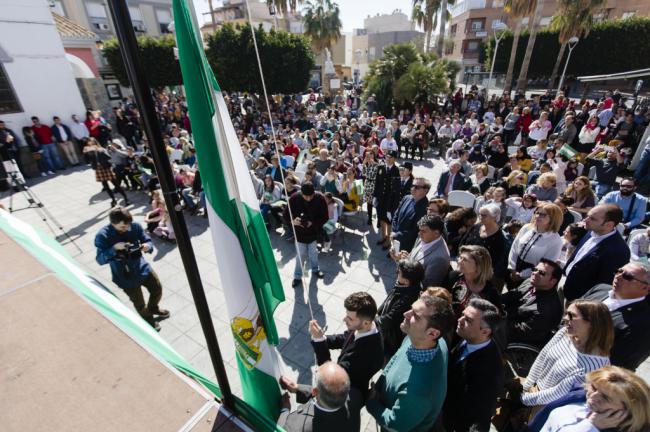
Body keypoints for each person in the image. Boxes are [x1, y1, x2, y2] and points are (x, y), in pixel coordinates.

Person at [366, 295, 454, 432]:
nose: (406, 314)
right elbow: (396, 357)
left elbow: (394, 424)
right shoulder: (417, 338)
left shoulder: (420, 391)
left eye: (416, 316)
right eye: (411, 309)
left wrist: (371, 403)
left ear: (432, 333)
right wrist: (379, 385)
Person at [513, 300, 613, 409]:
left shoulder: (593, 367)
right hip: (531, 392)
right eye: (566, 313)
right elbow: (542, 356)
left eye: (572, 316)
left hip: (545, 406)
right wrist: (526, 385)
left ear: (592, 323)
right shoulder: (565, 333)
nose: (565, 318)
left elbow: (557, 393)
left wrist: (523, 399)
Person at [95, 207, 169, 331]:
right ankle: (148, 320)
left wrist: (147, 246)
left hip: (142, 267)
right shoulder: (103, 236)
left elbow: (147, 240)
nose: (127, 228)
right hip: (124, 276)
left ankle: (153, 308)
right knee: (139, 304)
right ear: (113, 224)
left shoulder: (135, 226)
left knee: (157, 288)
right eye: (123, 227)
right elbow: (100, 259)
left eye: (128, 225)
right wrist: (114, 249)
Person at [443, 299, 504, 432]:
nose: (460, 320)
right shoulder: (468, 336)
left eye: (468, 320)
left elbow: (481, 415)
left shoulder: (488, 370)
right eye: (463, 315)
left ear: (485, 332)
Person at [308, 292, 383, 398]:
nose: (344, 319)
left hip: (347, 393)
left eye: (350, 318)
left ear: (366, 322)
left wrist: (319, 340)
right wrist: (322, 337)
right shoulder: (367, 326)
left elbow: (332, 376)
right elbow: (345, 338)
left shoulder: (363, 355)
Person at [535, 366, 650, 432]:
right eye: (594, 388)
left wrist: (590, 426)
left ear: (629, 409)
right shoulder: (579, 396)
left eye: (605, 397)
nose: (592, 397)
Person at [581, 263, 650, 371]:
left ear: (645, 287)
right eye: (619, 271)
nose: (618, 276)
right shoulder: (600, 289)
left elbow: (620, 364)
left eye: (628, 276)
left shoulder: (643, 324)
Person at [563, 204, 630, 301]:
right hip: (566, 285)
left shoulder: (618, 251)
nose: (585, 220)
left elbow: (604, 285)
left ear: (609, 224)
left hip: (580, 300)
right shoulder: (591, 231)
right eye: (587, 216)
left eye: (592, 219)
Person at [278, 362, 362, 432]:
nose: (315, 370)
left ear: (314, 391)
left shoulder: (295, 426)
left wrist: (285, 409)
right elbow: (331, 391)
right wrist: (297, 388)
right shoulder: (356, 396)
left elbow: (280, 429)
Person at [501, 259, 564, 349]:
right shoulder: (530, 283)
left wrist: (497, 319)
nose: (535, 273)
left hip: (515, 340)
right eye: (535, 269)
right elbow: (510, 295)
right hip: (506, 320)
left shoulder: (547, 310)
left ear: (552, 281)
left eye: (541, 273)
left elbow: (520, 332)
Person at [376, 259, 425, 360]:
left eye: (399, 272)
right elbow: (389, 299)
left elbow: (390, 319)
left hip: (389, 339)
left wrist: (374, 320)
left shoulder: (407, 299)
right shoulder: (404, 286)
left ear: (407, 281)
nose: (397, 273)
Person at [507, 203, 563, 287]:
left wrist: (521, 275)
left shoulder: (556, 240)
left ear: (553, 219)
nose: (538, 216)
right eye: (537, 213)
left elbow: (545, 265)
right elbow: (514, 248)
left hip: (532, 276)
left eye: (543, 215)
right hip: (514, 268)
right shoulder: (526, 227)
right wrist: (512, 268)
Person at [287, 182, 328, 287]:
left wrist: (313, 223)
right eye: (306, 196)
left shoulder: (320, 198)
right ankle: (297, 276)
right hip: (299, 233)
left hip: (313, 232)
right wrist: (292, 221)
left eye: (311, 196)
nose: (309, 198)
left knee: (313, 253)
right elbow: (286, 214)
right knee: (300, 255)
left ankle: (315, 269)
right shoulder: (294, 198)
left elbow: (325, 217)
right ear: (301, 193)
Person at [392, 215, 450, 288]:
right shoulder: (424, 236)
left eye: (423, 231)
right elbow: (413, 259)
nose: (419, 233)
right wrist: (403, 259)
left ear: (436, 233)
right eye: (419, 230)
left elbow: (426, 286)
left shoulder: (440, 259)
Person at [446, 245, 501, 318]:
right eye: (460, 257)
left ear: (478, 266)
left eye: (465, 259)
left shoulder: (490, 293)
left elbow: (493, 320)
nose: (459, 261)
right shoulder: (454, 277)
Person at [83, 138, 129, 207]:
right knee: (106, 186)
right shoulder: (89, 151)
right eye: (89, 142)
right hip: (98, 169)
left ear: (95, 142)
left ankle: (126, 198)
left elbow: (108, 157)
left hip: (106, 168)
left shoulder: (101, 148)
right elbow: (87, 161)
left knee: (116, 184)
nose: (90, 143)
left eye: (92, 142)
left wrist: (99, 150)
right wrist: (85, 153)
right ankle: (113, 200)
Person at [390, 177, 430, 253]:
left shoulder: (425, 208)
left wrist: (396, 235)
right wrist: (394, 231)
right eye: (412, 185)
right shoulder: (406, 198)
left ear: (426, 190)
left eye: (417, 187)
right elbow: (396, 215)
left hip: (407, 246)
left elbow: (415, 230)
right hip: (395, 238)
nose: (413, 188)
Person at [373, 151, 401, 249]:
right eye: (386, 157)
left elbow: (396, 190)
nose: (387, 159)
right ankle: (383, 236)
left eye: (390, 157)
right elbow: (377, 182)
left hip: (389, 200)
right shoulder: (381, 167)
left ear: (394, 159)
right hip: (380, 198)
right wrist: (375, 196)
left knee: (388, 220)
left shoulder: (396, 170)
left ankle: (389, 240)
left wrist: (393, 204)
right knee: (381, 218)